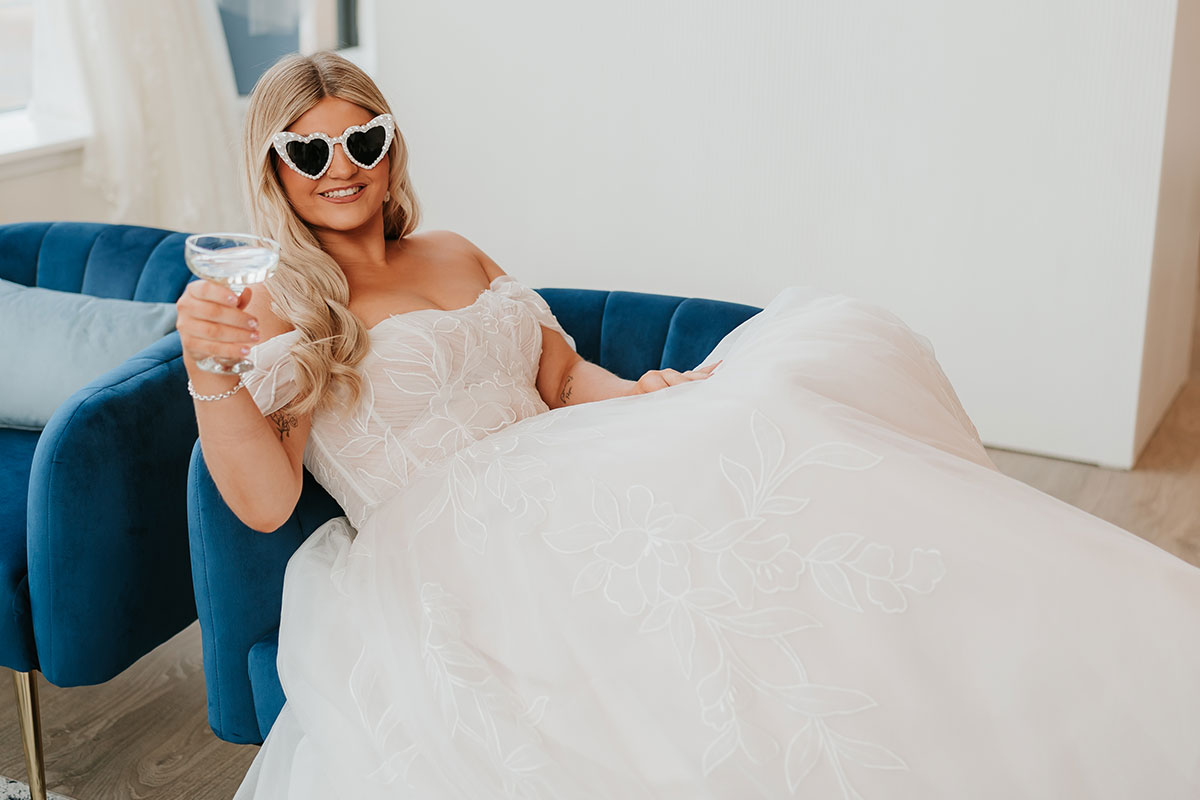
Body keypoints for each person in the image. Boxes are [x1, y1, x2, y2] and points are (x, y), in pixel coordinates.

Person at [180, 52, 1200, 799]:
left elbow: (558, 371)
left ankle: (1005, 659)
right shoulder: (276, 303)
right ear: (272, 166)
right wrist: (210, 369)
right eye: (307, 149)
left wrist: (642, 395)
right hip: (451, 535)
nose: (339, 165)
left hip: (565, 457)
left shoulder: (451, 247)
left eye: (361, 139)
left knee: (778, 416)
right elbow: (265, 499)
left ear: (391, 147)